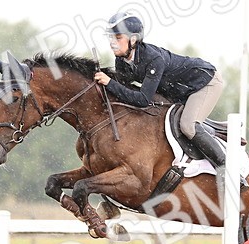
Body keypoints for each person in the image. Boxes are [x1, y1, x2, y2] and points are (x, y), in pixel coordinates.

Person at [93, 11, 231, 173]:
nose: (112, 43)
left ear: (133, 39)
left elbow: (143, 99)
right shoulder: (121, 60)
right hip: (179, 91)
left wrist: (109, 82)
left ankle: (226, 168)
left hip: (205, 82)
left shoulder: (153, 59)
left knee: (187, 126)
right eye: (111, 38)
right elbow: (124, 91)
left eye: (118, 38)